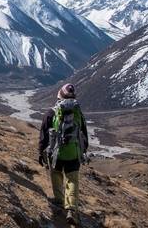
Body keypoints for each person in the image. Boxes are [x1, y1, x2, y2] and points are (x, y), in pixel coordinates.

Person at [38, 83, 89, 225]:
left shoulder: (51, 112)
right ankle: (71, 208)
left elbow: (43, 136)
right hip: (73, 152)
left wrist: (41, 153)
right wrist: (82, 150)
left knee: (56, 174)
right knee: (72, 180)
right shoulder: (78, 113)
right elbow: (84, 133)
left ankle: (59, 200)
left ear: (59, 95)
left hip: (56, 153)